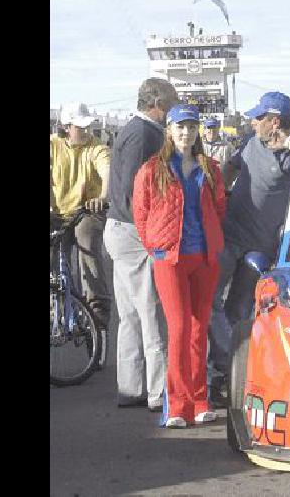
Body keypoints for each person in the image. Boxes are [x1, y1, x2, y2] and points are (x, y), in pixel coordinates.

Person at [208, 91, 290, 407]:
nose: (252, 122)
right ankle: (228, 363)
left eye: (259, 118)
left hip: (259, 248)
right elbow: (230, 169)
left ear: (274, 121)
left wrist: (288, 142)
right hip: (228, 238)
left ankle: (229, 375)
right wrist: (216, 193)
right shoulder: (251, 143)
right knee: (209, 302)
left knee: (238, 311)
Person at [132, 104, 228, 428]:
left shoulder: (210, 167)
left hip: (203, 257)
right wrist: (156, 247)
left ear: (198, 130)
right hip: (169, 259)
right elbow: (140, 214)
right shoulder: (152, 168)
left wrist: (209, 240)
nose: (185, 133)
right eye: (179, 127)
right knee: (179, 328)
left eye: (191, 126)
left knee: (200, 329)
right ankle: (178, 405)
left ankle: (200, 400)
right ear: (170, 131)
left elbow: (219, 207)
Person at [104, 78, 179, 411]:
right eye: (172, 102)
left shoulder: (132, 130)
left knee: (131, 315)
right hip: (134, 232)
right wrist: (153, 231)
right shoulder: (146, 133)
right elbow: (138, 188)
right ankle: (157, 391)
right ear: (158, 102)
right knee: (152, 316)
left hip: (120, 228)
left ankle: (131, 386)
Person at [50, 102, 112, 323]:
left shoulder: (97, 147)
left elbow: (107, 171)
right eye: (79, 127)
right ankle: (54, 299)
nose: (85, 131)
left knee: (86, 238)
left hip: (87, 211)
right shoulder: (53, 146)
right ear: (67, 127)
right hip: (57, 213)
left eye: (87, 127)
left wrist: (103, 197)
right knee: (55, 252)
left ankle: (98, 307)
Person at [201, 118, 238, 190]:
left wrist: (229, 182)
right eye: (209, 128)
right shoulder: (198, 146)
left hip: (222, 188)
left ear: (218, 129)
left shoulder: (228, 146)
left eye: (214, 127)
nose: (212, 131)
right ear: (204, 130)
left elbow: (236, 166)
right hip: (202, 188)